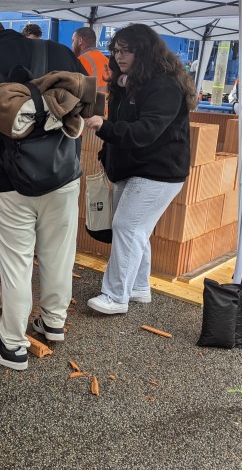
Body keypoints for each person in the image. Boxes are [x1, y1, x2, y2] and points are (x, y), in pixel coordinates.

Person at [0, 7, 86, 371]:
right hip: (63, 174)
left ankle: (12, 345)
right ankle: (53, 323)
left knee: (16, 264)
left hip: (9, 182)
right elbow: (87, 102)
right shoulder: (60, 53)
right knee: (58, 253)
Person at [84, 24, 196, 315]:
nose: (120, 56)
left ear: (144, 51)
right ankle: (138, 287)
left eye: (127, 51)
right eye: (117, 51)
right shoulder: (131, 81)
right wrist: (108, 152)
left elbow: (146, 130)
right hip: (134, 167)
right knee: (137, 230)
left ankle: (115, 296)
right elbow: (126, 119)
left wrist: (105, 128)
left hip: (159, 171)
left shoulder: (165, 85)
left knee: (127, 226)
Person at [72, 26, 109, 93]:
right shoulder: (106, 60)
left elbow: (75, 90)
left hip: (92, 102)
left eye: (73, 40)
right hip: (108, 102)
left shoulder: (81, 60)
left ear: (80, 41)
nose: (72, 45)